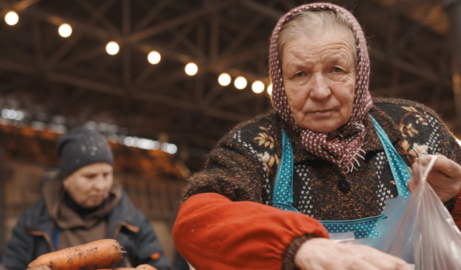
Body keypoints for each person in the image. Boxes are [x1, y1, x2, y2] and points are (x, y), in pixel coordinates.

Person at [172, 3, 461, 270]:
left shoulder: (415, 130)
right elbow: (196, 223)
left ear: (359, 73)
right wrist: (299, 248)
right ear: (280, 81)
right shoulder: (254, 145)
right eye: (300, 74)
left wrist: (455, 200)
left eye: (336, 69)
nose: (320, 92)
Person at [2, 127, 172, 270]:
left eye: (106, 174)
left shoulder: (134, 220)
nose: (101, 185)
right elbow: (10, 265)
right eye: (90, 176)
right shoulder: (33, 221)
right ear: (66, 179)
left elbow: (159, 264)